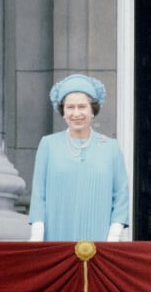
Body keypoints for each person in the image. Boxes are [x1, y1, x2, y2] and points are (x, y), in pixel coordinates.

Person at [28, 74, 130, 242]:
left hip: (100, 238)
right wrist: (37, 232)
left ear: (92, 110)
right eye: (70, 107)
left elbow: (121, 195)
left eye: (82, 106)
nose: (76, 113)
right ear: (63, 111)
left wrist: (114, 234)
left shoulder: (110, 147)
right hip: (56, 235)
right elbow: (39, 193)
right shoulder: (48, 144)